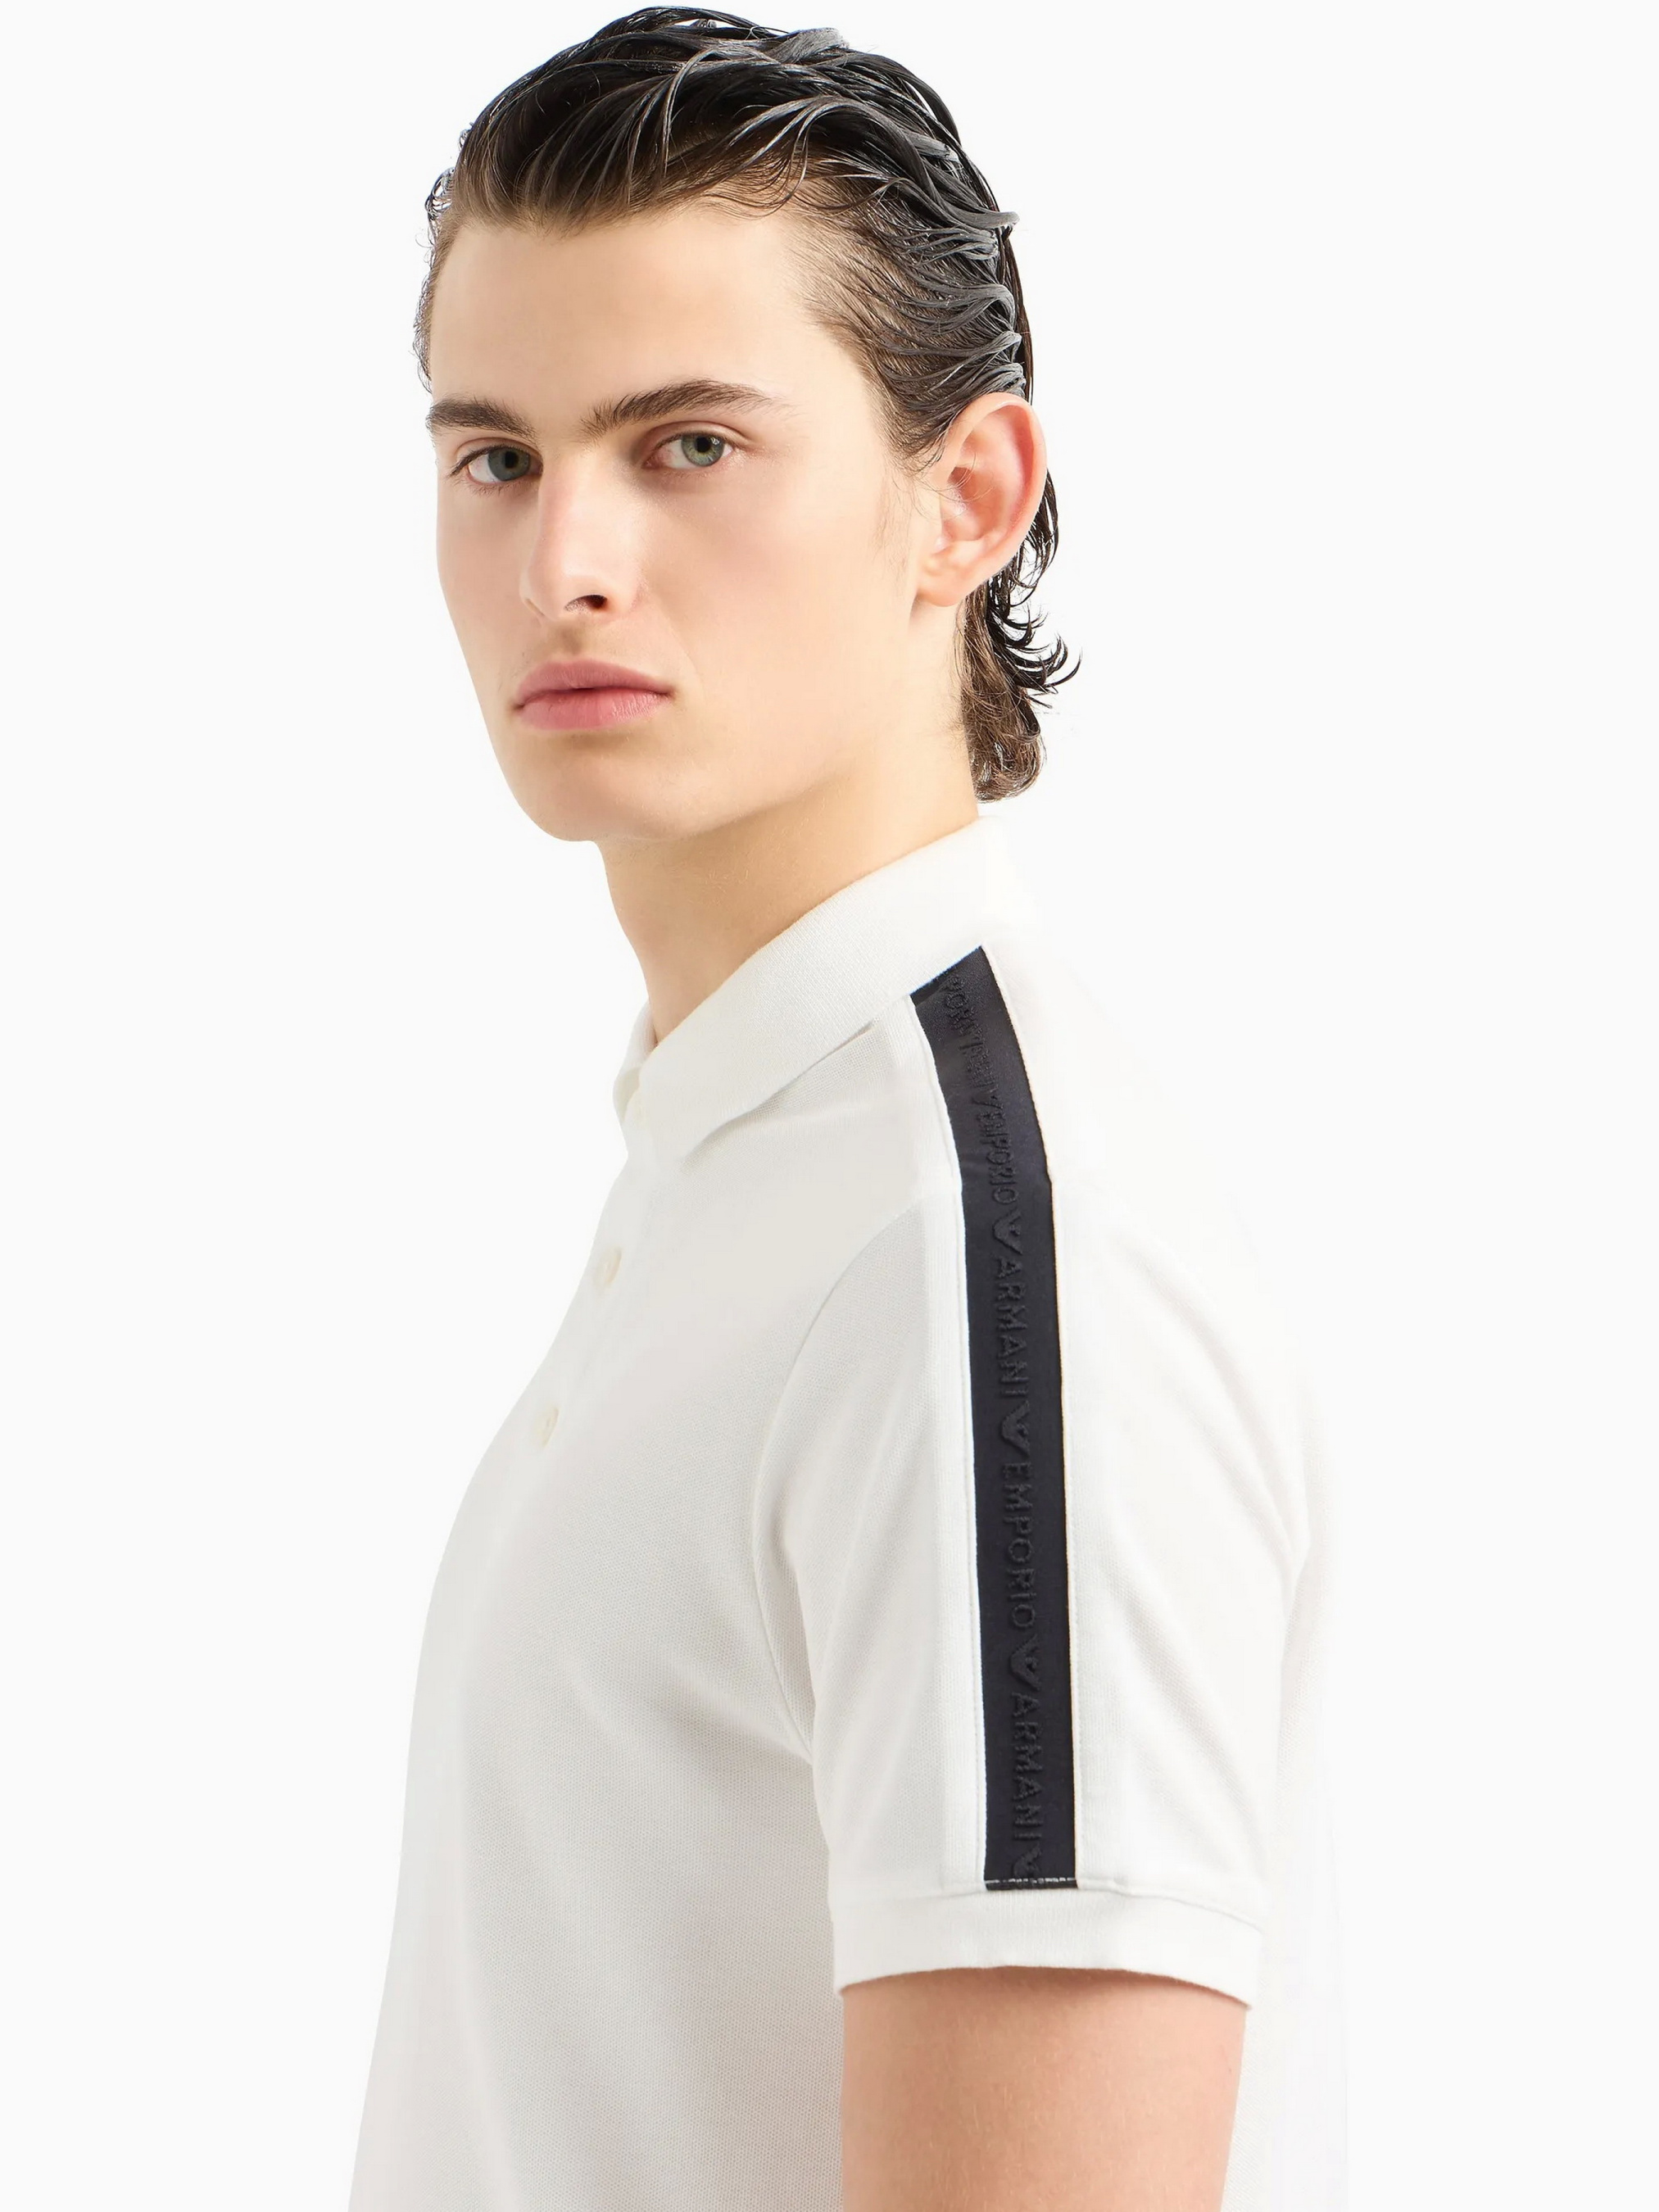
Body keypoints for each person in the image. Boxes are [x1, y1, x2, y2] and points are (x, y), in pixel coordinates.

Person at [346, 11, 1345, 2209]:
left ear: (964, 498)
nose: (565, 557)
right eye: (495, 456)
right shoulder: (746, 1167)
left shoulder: (980, 1264)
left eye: (687, 444)